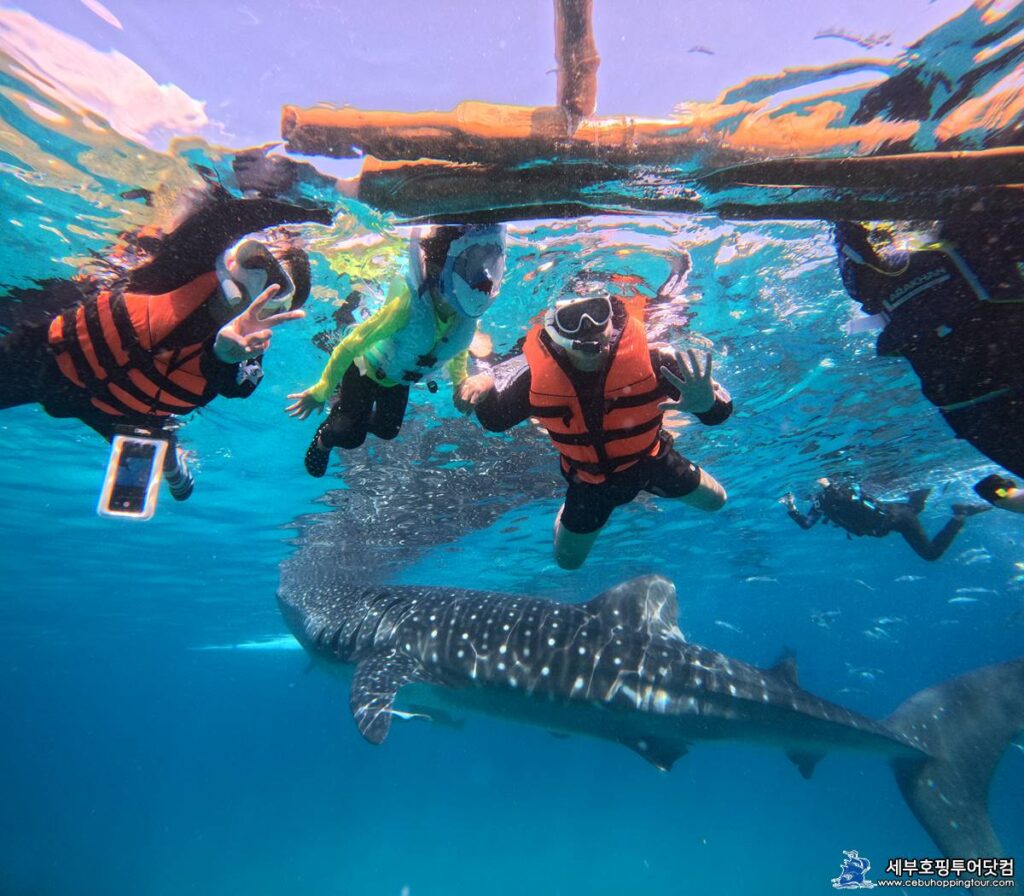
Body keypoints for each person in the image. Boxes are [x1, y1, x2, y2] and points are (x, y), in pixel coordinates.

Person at [0, 187, 332, 501]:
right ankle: (165, 450)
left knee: (152, 441)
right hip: (47, 361)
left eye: (275, 290)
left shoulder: (248, 345)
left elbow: (239, 387)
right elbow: (223, 219)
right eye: (257, 263)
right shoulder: (182, 267)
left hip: (127, 413)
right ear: (234, 257)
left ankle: (171, 460)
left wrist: (222, 355)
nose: (258, 287)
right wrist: (308, 211)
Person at [470, 291, 731, 569]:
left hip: (651, 463)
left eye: (597, 313)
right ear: (555, 331)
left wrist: (707, 405)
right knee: (567, 562)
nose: (587, 327)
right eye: (571, 320)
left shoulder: (658, 361)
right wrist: (485, 385)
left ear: (613, 317)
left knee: (718, 501)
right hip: (589, 486)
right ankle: (565, 514)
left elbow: (718, 413)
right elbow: (496, 420)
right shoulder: (537, 378)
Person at [287, 223, 507, 477]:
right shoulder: (406, 308)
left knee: (388, 430)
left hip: (397, 378)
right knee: (350, 435)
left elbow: (457, 347)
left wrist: (460, 383)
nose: (484, 281)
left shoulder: (466, 315)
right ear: (438, 270)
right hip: (364, 369)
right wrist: (320, 391)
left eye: (488, 266)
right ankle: (326, 436)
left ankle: (345, 408)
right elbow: (350, 345)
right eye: (471, 268)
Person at [835, 219, 1024, 484]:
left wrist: (1001, 496)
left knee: (977, 233)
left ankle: (849, 221)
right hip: (969, 386)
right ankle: (847, 222)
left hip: (978, 382)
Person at [783, 477, 988, 561]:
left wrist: (828, 485)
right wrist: (791, 508)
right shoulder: (820, 504)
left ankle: (960, 514)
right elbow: (807, 524)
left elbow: (846, 496)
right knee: (913, 509)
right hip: (890, 518)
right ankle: (923, 491)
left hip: (895, 518)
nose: (809, 497)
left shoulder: (834, 493)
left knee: (930, 554)